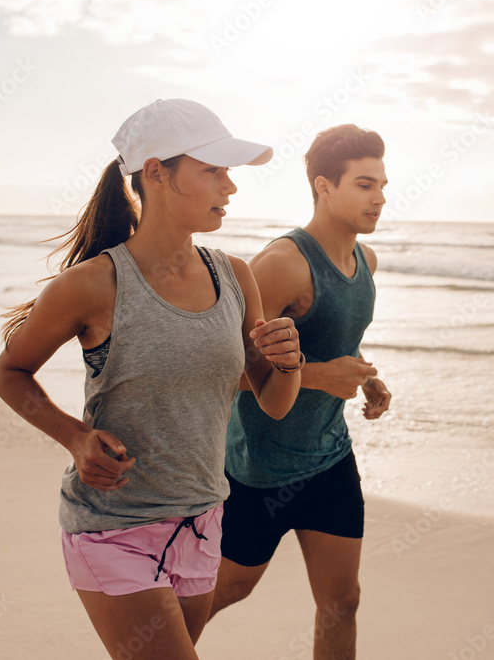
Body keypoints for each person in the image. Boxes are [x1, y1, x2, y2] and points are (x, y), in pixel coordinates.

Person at [0, 99, 303, 660]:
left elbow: (275, 403)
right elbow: (9, 372)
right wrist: (75, 437)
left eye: (228, 172)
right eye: (212, 170)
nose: (229, 187)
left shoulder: (234, 276)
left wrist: (288, 362)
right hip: (113, 526)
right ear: (156, 172)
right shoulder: (92, 285)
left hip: (204, 518)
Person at [209, 124, 391, 659]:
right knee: (227, 590)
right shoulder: (284, 264)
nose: (379, 198)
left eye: (382, 184)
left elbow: (335, 342)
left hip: (330, 460)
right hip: (258, 469)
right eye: (364, 184)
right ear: (323, 186)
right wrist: (319, 376)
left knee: (342, 601)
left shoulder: (366, 263)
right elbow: (223, 364)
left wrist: (362, 375)